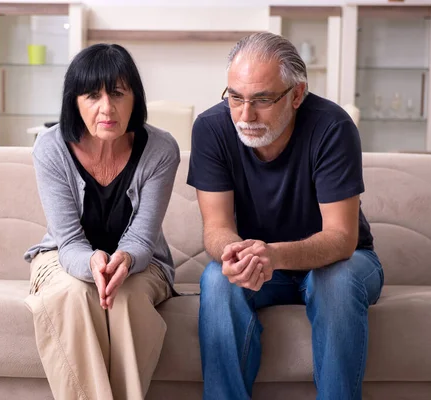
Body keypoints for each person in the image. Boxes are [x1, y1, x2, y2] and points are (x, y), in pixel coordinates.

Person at [187, 32, 384, 400]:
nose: (245, 115)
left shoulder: (332, 127)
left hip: (342, 261)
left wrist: (273, 254)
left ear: (296, 94)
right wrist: (235, 254)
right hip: (258, 264)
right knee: (217, 279)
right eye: (235, 98)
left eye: (261, 100)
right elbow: (216, 228)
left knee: (335, 283)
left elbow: (342, 237)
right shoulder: (211, 129)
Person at [23, 43, 180, 400]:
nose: (106, 108)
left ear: (135, 99)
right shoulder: (50, 147)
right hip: (63, 254)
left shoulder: (161, 149)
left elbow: (142, 239)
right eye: (92, 95)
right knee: (73, 292)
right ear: (74, 102)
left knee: (125, 297)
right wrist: (91, 261)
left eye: (118, 94)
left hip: (142, 262)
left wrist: (123, 260)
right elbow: (68, 242)